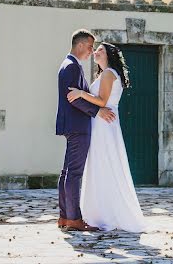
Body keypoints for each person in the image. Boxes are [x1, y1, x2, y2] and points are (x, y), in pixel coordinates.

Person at [67, 42, 146, 233]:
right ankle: (99, 212)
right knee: (99, 165)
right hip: (102, 123)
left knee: (104, 164)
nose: (96, 52)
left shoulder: (109, 73)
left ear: (109, 54)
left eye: (100, 50)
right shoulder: (105, 74)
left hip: (104, 125)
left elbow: (102, 101)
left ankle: (105, 214)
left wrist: (80, 93)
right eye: (96, 49)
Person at [56, 29, 116, 232]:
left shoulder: (69, 65)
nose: (91, 51)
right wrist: (98, 111)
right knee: (74, 173)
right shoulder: (72, 67)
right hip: (78, 126)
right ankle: (73, 218)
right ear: (80, 45)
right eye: (90, 47)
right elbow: (75, 99)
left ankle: (65, 217)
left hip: (71, 125)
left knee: (67, 172)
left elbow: (76, 96)